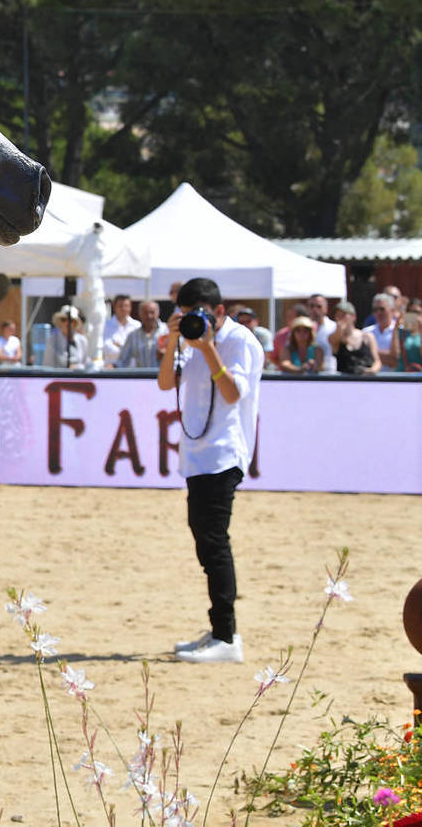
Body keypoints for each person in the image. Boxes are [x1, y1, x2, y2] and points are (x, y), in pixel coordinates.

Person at [158, 277, 264, 664]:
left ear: (219, 311)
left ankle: (227, 637)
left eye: (199, 314)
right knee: (204, 540)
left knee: (215, 543)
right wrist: (176, 341)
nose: (193, 321)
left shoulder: (241, 341)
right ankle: (219, 629)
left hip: (224, 455)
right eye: (186, 315)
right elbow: (165, 383)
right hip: (197, 456)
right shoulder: (187, 338)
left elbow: (234, 394)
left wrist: (207, 349)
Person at [328, 300, 380, 376]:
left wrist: (372, 370)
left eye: (343, 315)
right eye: (338, 315)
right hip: (345, 382)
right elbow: (334, 342)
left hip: (365, 380)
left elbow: (377, 361)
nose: (340, 318)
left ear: (353, 317)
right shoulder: (334, 337)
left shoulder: (367, 336)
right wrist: (339, 329)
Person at [114, 299, 168, 368]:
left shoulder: (167, 331)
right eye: (146, 313)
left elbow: (181, 353)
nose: (149, 316)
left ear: (158, 312)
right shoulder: (133, 336)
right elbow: (122, 361)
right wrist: (111, 367)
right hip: (143, 378)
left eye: (152, 312)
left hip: (165, 377)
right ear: (140, 314)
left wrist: (169, 354)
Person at [43, 304, 89, 369]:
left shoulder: (83, 341)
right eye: (63, 319)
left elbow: (85, 364)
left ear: (75, 323)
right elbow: (47, 366)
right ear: (60, 322)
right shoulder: (52, 340)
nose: (67, 323)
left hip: (79, 378)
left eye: (71, 320)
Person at [362, 294, 399, 371]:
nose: (378, 312)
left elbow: (395, 360)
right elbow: (362, 357)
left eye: (382, 309)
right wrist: (387, 356)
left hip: (394, 380)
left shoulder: (400, 331)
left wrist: (371, 354)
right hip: (371, 379)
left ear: (392, 310)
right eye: (375, 310)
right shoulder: (366, 332)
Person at [101, 294, 138, 364]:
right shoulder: (105, 326)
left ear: (130, 307)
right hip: (111, 370)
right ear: (114, 307)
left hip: (132, 370)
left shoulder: (137, 326)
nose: (124, 309)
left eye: (126, 306)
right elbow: (104, 349)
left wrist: (120, 346)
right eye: (120, 306)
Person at [306, 294, 337, 372]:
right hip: (306, 373)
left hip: (329, 372)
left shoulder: (334, 327)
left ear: (326, 309)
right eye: (311, 306)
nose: (315, 310)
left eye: (319, 306)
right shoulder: (302, 328)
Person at [398, 307, 422, 373]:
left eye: (416, 312)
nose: (413, 316)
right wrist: (397, 324)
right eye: (410, 313)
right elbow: (395, 354)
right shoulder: (401, 331)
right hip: (402, 373)